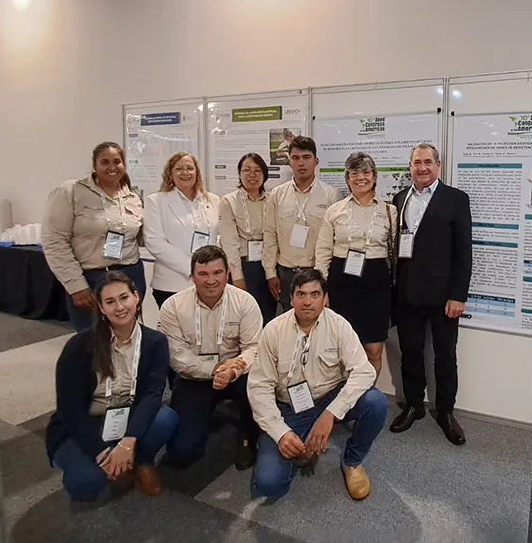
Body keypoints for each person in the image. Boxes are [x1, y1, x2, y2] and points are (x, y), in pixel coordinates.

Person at [248, 269, 388, 501]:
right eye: (301, 294)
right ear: (291, 298)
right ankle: (302, 449)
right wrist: (281, 434)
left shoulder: (339, 325)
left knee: (376, 402)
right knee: (269, 484)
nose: (307, 302)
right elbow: (259, 387)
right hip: (290, 407)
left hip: (330, 397)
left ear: (325, 299)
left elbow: (364, 371)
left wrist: (331, 413)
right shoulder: (273, 331)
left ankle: (352, 461)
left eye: (314, 295)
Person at [45, 272, 178, 501]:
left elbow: (152, 395)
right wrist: (102, 453)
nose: (119, 307)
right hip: (86, 422)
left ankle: (141, 460)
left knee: (166, 418)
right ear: (101, 308)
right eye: (110, 301)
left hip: (128, 415)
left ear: (136, 297)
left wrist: (128, 442)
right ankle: (113, 461)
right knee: (85, 482)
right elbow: (70, 410)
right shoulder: (79, 346)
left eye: (124, 297)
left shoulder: (155, 342)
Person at [389, 143, 472, 446]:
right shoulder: (400, 199)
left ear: (438, 165)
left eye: (427, 162)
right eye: (416, 162)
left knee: (445, 356)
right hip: (407, 293)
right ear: (409, 167)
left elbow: (464, 251)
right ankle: (414, 405)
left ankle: (446, 412)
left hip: (443, 297)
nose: (422, 167)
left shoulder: (456, 199)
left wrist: (458, 295)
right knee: (410, 353)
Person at [157, 245, 263, 470]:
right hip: (194, 376)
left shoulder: (245, 302)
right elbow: (176, 356)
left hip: (237, 374)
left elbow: (254, 347)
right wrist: (215, 370)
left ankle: (247, 435)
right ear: (192, 276)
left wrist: (233, 370)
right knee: (182, 451)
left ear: (227, 273)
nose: (211, 280)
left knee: (258, 386)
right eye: (203, 274)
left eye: (217, 273)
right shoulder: (172, 307)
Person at [42, 142, 145, 332]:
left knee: (127, 337)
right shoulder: (71, 191)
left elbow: (140, 238)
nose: (112, 167)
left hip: (130, 276)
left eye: (117, 161)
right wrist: (75, 285)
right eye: (105, 162)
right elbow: (54, 241)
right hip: (90, 279)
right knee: (93, 340)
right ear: (94, 165)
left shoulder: (132, 197)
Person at [315, 152, 397, 379]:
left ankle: (366, 396)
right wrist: (322, 288)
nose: (361, 177)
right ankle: (342, 396)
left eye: (366, 172)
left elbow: (396, 253)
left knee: (373, 350)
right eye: (354, 173)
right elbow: (323, 251)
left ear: (375, 176)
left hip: (376, 285)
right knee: (340, 348)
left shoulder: (390, 212)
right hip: (342, 284)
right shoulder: (335, 210)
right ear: (347, 178)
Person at [262, 136, 340, 311]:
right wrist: (270, 273)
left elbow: (333, 242)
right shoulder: (277, 195)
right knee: (289, 322)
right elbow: (270, 235)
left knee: (318, 322)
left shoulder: (331, 195)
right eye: (295, 158)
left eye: (306, 157)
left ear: (316, 161)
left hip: (317, 273)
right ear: (289, 162)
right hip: (286, 274)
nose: (301, 163)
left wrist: (323, 277)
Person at [144, 152, 220, 309]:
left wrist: (211, 269)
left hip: (209, 283)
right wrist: (192, 268)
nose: (185, 172)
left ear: (197, 172)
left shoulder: (213, 200)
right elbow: (154, 241)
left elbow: (218, 236)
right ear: (170, 174)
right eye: (179, 168)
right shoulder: (157, 201)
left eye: (190, 168)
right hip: (172, 284)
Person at [218, 153, 277, 325]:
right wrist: (238, 277)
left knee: (268, 316)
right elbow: (229, 243)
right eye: (247, 170)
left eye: (257, 170)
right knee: (244, 318)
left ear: (264, 174)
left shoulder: (272, 199)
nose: (252, 175)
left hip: (269, 265)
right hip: (244, 266)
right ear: (239, 173)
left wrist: (272, 273)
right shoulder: (229, 201)